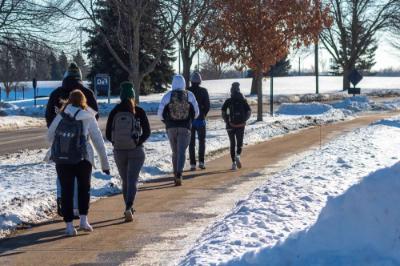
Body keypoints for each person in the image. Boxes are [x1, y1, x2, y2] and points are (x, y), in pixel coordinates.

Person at [47, 90, 110, 236]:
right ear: (83, 100)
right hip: (83, 158)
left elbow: (49, 136)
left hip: (62, 159)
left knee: (66, 191)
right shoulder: (88, 115)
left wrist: (63, 143)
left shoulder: (61, 115)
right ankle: (83, 221)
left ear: (69, 100)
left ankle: (69, 226)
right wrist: (104, 164)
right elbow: (98, 140)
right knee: (84, 189)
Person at [45, 62, 99, 218]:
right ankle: (77, 209)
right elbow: (95, 116)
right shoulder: (87, 93)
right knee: (80, 178)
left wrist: (56, 133)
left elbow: (49, 115)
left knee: (62, 175)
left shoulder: (56, 93)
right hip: (81, 142)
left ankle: (62, 201)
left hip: (60, 141)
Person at [106, 82, 151, 222]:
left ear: (120, 96)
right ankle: (129, 206)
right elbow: (147, 132)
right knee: (132, 180)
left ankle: (128, 207)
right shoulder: (139, 111)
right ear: (132, 96)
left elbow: (108, 134)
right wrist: (138, 142)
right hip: (136, 151)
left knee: (125, 180)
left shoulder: (114, 112)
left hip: (119, 151)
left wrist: (116, 142)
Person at [157, 75, 199, 186]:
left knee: (175, 152)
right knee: (181, 152)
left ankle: (175, 173)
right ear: (184, 83)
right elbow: (197, 112)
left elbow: (160, 113)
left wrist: (166, 122)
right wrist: (190, 120)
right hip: (185, 127)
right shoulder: (189, 95)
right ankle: (179, 174)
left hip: (171, 127)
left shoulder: (167, 96)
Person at [221, 82, 251, 170]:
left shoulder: (228, 101)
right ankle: (238, 155)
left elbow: (223, 113)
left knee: (232, 143)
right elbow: (249, 112)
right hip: (241, 125)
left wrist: (227, 121)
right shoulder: (243, 101)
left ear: (231, 91)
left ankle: (233, 163)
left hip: (230, 125)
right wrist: (244, 120)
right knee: (239, 142)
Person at [188, 72, 210, 171]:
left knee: (191, 143)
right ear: (200, 81)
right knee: (202, 142)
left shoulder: (187, 91)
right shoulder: (204, 91)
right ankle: (201, 162)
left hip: (190, 121)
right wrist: (203, 114)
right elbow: (207, 105)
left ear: (191, 81)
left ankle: (192, 164)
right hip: (201, 120)